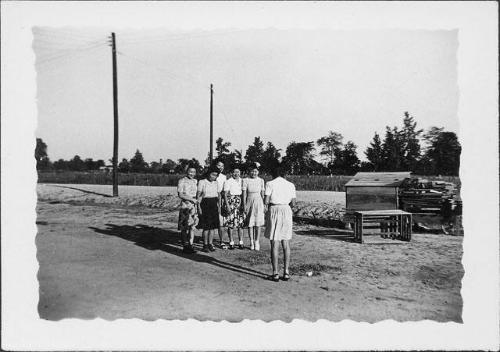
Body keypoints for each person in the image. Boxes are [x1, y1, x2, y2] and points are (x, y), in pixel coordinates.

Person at [264, 165, 296, 282]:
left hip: (274, 210)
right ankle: (286, 272)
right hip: (286, 210)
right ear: (284, 174)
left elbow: (266, 201)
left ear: (273, 174)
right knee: (286, 242)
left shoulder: (270, 183)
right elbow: (293, 203)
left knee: (274, 243)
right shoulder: (290, 185)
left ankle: (275, 273)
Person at [196, 166, 221, 252]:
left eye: (216, 175)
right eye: (212, 174)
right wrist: (198, 207)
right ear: (208, 173)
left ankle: (210, 243)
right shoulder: (202, 182)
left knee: (213, 227)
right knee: (206, 227)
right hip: (205, 204)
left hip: (214, 203)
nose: (214, 177)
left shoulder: (216, 183)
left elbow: (218, 195)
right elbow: (198, 195)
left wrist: (219, 206)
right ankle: (205, 244)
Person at [242, 162, 265, 250]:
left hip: (259, 201)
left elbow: (262, 194)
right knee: (250, 223)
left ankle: (257, 241)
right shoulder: (246, 180)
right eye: (252, 171)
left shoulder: (261, 180)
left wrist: (264, 205)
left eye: (255, 171)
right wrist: (244, 205)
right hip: (249, 201)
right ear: (249, 172)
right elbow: (244, 194)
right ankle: (251, 242)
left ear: (258, 172)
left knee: (258, 223)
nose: (253, 173)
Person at [177, 166, 199, 254]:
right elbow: (180, 194)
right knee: (184, 227)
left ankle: (191, 244)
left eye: (194, 172)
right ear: (187, 172)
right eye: (190, 172)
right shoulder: (182, 181)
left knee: (192, 227)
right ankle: (185, 245)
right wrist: (191, 199)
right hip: (185, 205)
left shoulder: (195, 181)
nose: (192, 174)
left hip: (193, 206)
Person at [223, 167, 245, 249]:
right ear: (232, 173)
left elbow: (243, 193)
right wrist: (227, 206)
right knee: (230, 223)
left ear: (240, 173)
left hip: (239, 201)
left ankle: (241, 242)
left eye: (238, 172)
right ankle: (231, 242)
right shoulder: (228, 181)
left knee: (240, 224)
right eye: (234, 172)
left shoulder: (242, 181)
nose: (236, 174)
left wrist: (243, 204)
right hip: (231, 202)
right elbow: (225, 194)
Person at [215, 161, 228, 249]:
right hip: (211, 198)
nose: (221, 167)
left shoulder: (224, 177)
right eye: (219, 165)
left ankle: (221, 241)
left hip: (220, 199)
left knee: (221, 222)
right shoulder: (211, 175)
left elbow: (224, 190)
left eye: (222, 166)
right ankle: (207, 242)